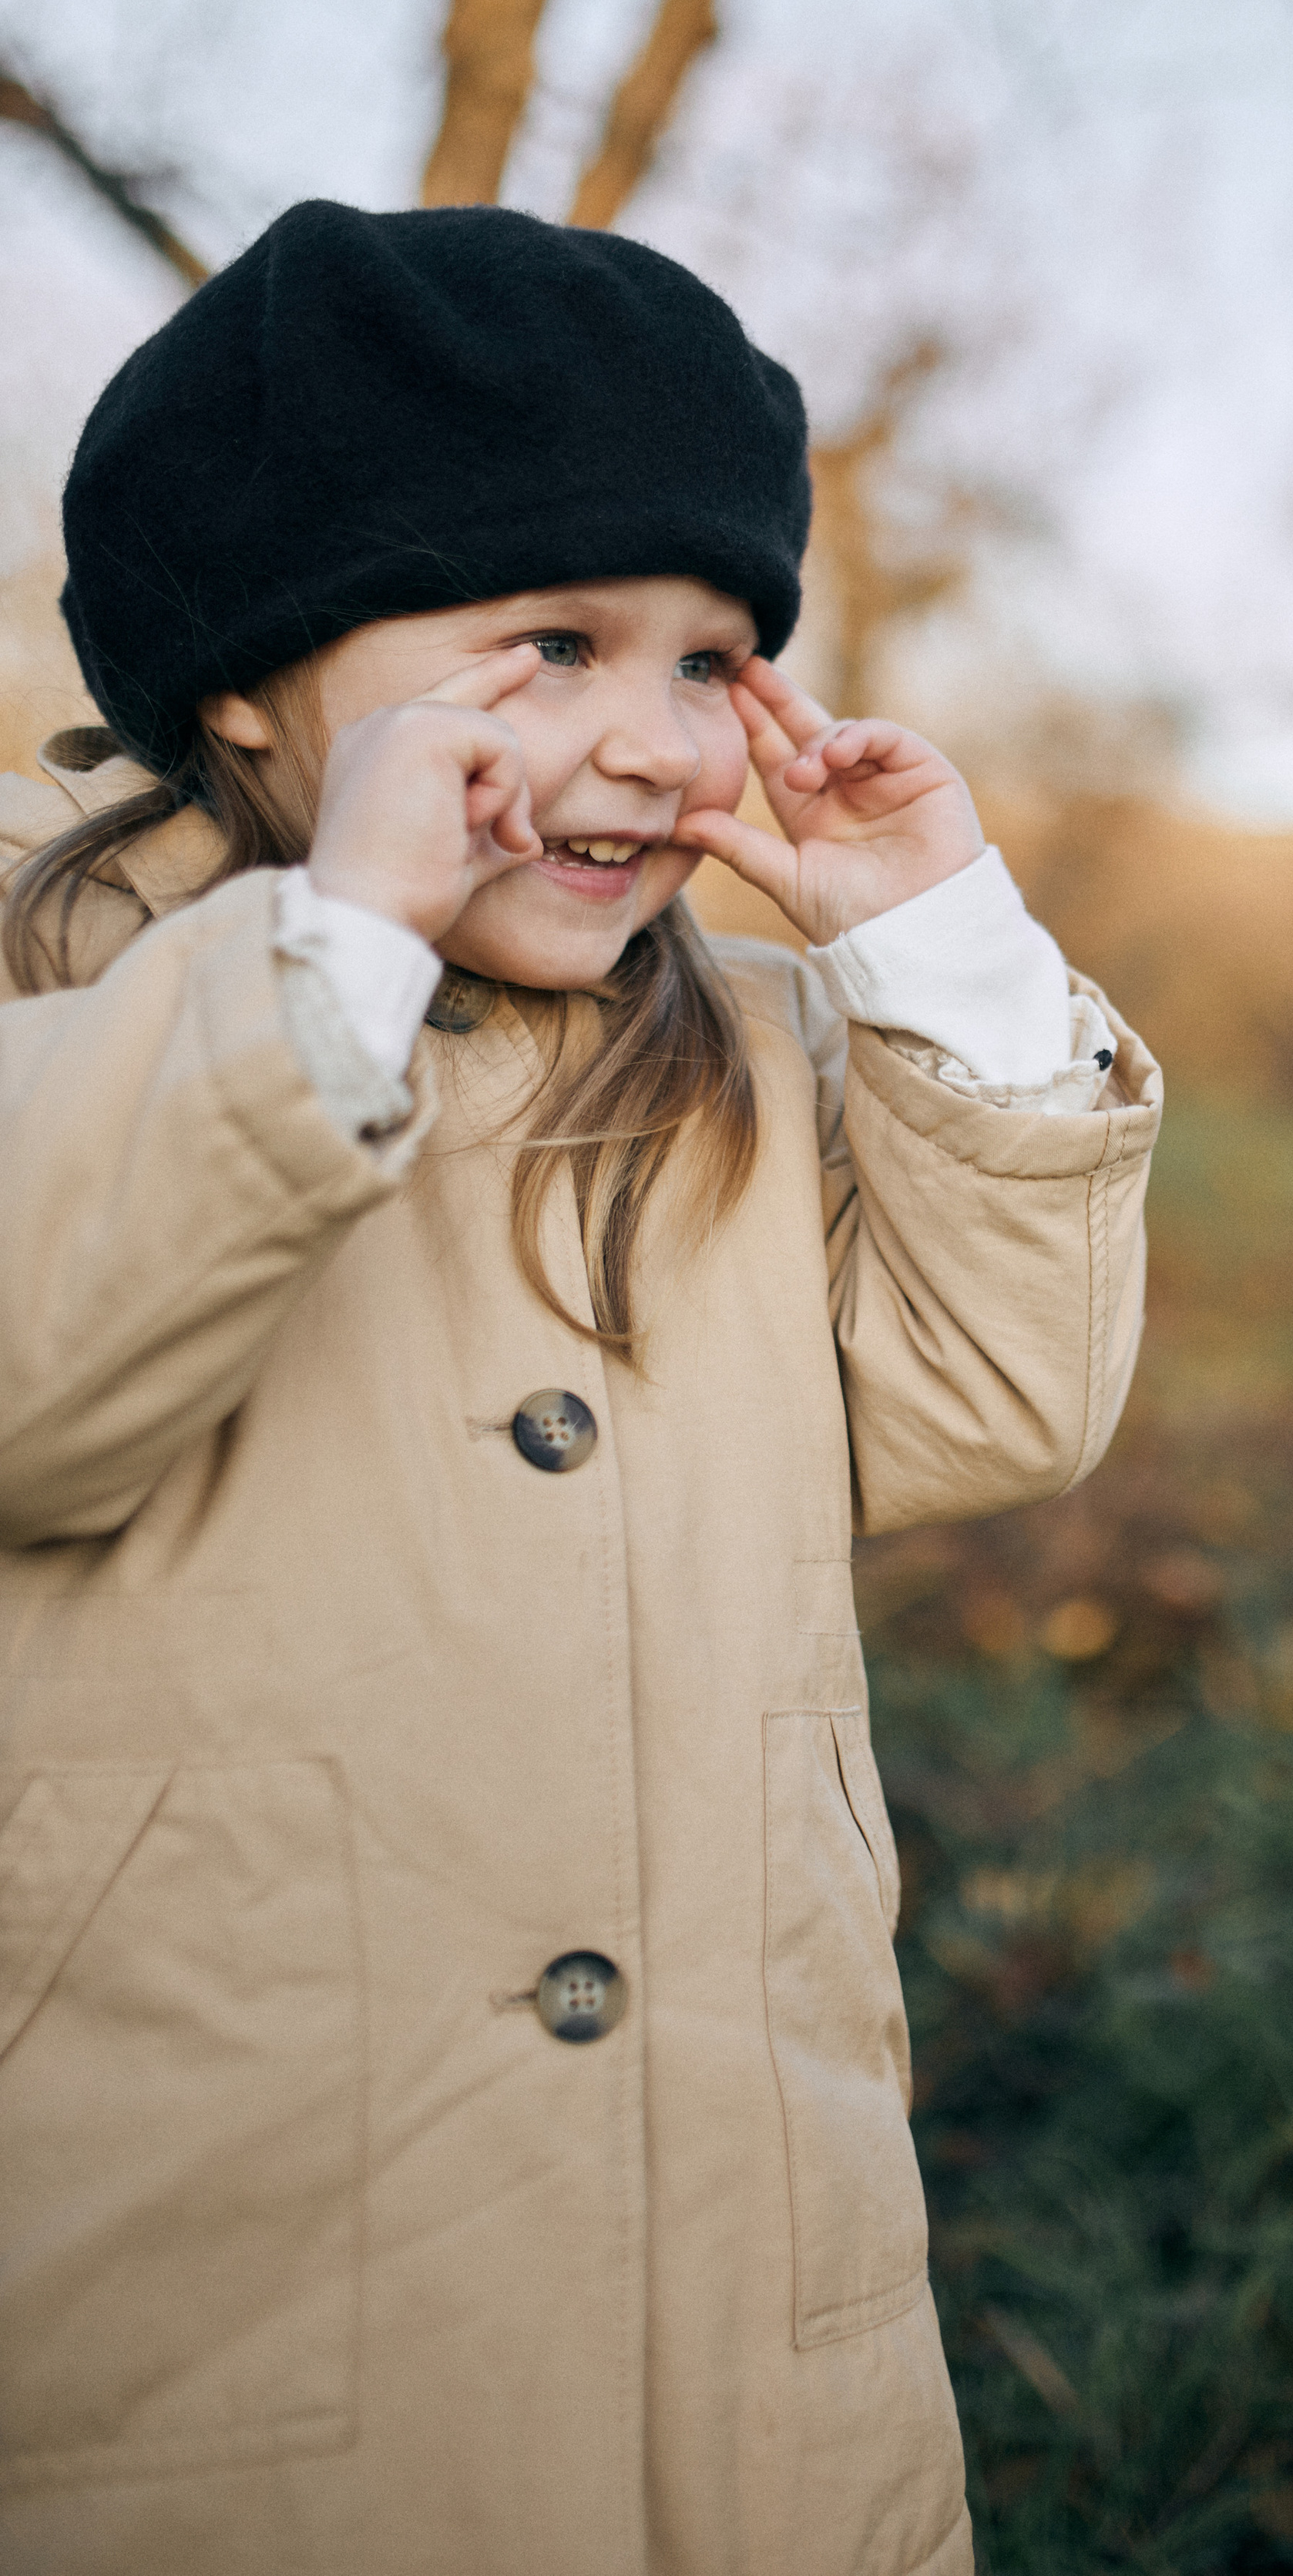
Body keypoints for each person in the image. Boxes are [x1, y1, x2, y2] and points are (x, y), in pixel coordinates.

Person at [0, 201, 1160, 2576]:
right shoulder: (61, 999)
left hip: (747, 2349)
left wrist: (936, 942)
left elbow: (989, 1402)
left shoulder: (739, 1047)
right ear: (249, 675)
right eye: (548, 642)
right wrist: (323, 966)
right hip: (218, 2328)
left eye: (713, 653)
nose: (649, 738)